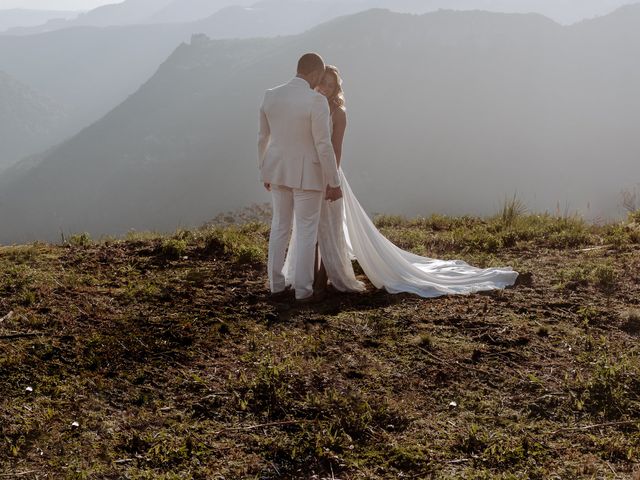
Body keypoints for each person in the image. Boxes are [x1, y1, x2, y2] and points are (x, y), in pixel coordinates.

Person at [284, 65, 519, 298]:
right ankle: (308, 276)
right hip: (308, 175)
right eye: (322, 82)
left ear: (336, 89)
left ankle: (326, 278)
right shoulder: (309, 105)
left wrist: (331, 180)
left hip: (329, 175)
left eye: (330, 84)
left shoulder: (338, 113)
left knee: (329, 228)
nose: (324, 88)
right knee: (308, 227)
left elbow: (336, 148)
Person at [258, 53, 343, 302]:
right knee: (306, 230)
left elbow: (263, 138)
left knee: (279, 226)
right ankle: (303, 291)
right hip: (308, 175)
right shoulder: (315, 101)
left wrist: (264, 170)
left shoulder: (270, 95)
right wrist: (334, 182)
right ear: (315, 73)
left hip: (277, 170)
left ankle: (275, 285)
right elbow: (323, 145)